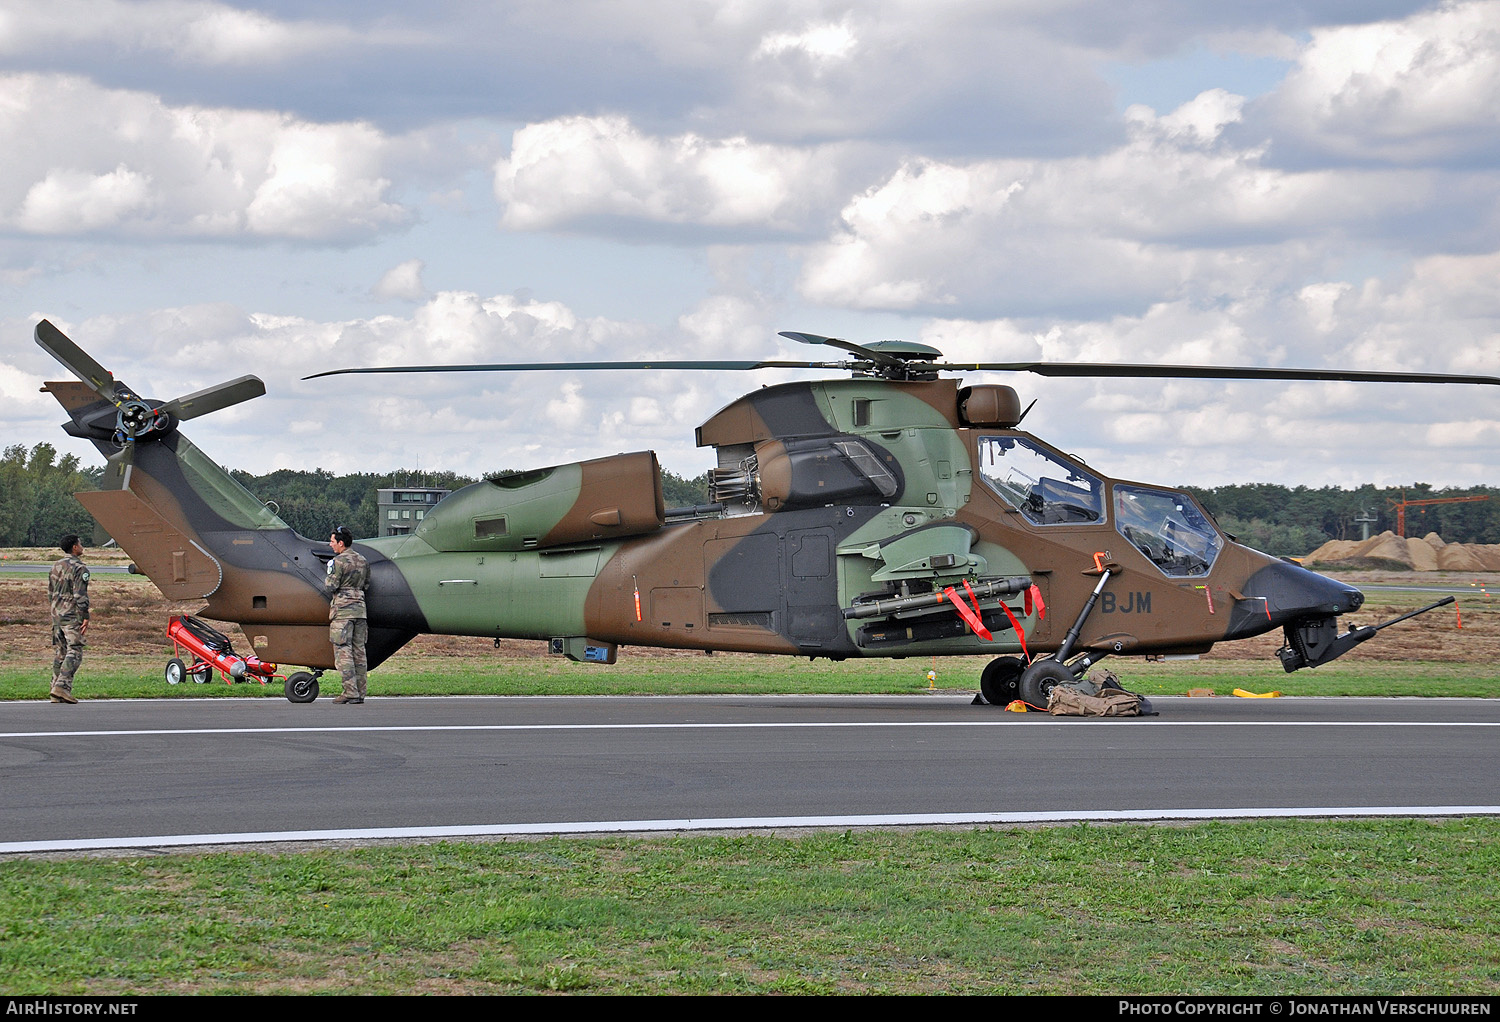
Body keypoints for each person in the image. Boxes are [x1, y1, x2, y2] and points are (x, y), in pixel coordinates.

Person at [326, 525, 370, 704]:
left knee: (343, 650)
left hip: (343, 611)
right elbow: (366, 584)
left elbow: (330, 586)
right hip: (360, 610)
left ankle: (350, 692)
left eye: (332, 542)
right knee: (359, 651)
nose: (330, 545)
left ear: (341, 543)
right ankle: (360, 693)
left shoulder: (337, 562)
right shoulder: (363, 560)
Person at [48, 534, 90, 704]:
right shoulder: (80, 568)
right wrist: (84, 615)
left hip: (56, 613)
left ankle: (54, 689)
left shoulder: (56, 565)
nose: (81, 546)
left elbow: (50, 592)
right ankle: (62, 687)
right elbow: (80, 595)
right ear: (74, 547)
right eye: (80, 543)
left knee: (61, 651)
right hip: (71, 614)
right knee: (75, 649)